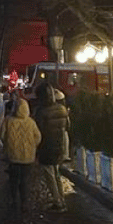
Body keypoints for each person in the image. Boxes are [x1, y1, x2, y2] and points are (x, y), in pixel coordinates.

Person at [34, 83, 71, 211]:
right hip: (58, 145)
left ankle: (58, 202)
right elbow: (67, 127)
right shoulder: (61, 109)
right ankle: (61, 198)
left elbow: (38, 131)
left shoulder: (41, 111)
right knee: (56, 174)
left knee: (50, 175)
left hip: (46, 147)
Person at [1, 95, 42, 212]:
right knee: (24, 181)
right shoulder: (31, 122)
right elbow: (38, 137)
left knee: (13, 180)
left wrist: (9, 143)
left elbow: (1, 135)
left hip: (13, 156)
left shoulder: (8, 120)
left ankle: (14, 201)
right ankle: (24, 203)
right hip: (27, 157)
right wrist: (31, 146)